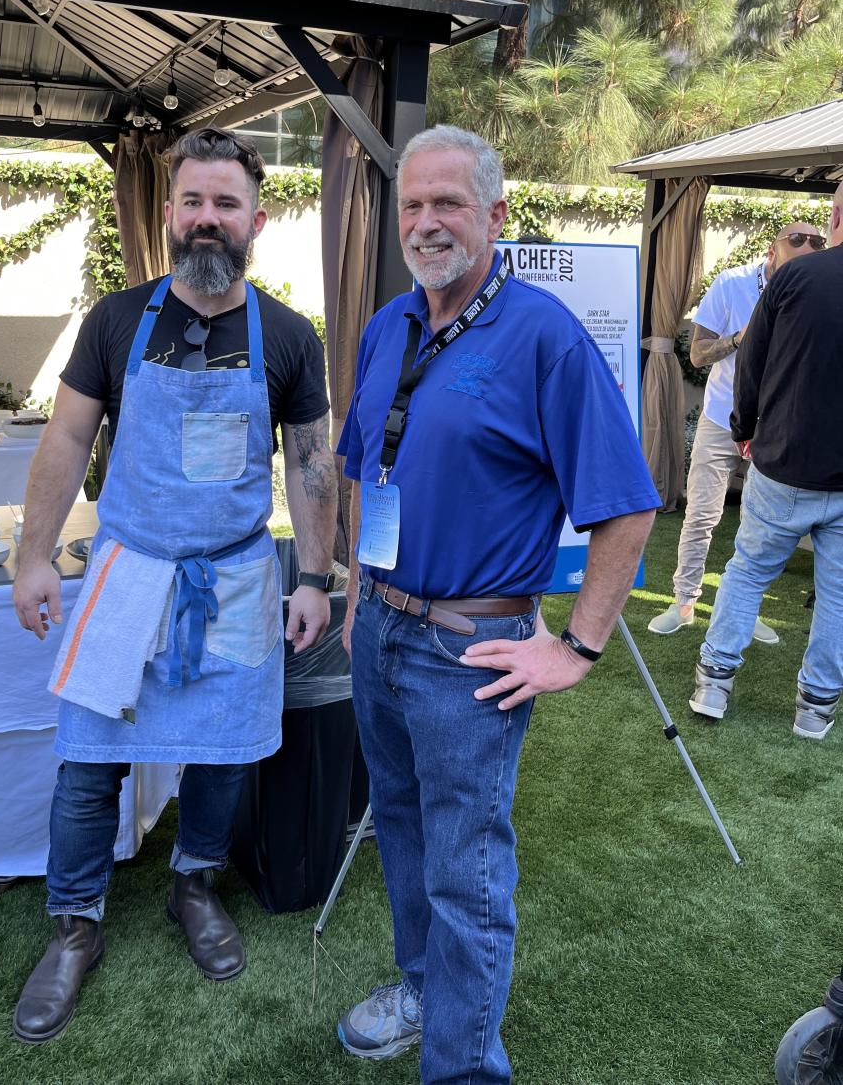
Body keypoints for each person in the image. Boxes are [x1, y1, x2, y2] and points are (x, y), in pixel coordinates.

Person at [334, 125, 660, 1084]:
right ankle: (425, 989)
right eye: (413, 206)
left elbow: (629, 507)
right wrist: (362, 594)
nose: (427, 223)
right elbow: (364, 468)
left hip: (473, 648)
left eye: (449, 204)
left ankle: (465, 1067)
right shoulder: (389, 324)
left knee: (466, 872)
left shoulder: (543, 334)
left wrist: (579, 649)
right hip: (382, 630)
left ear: (496, 216)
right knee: (398, 823)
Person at [10, 127, 338, 1044]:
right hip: (127, 574)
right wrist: (35, 555)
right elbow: (67, 441)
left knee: (224, 752)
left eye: (225, 203)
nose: (207, 219)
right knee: (90, 762)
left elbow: (312, 460)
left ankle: (192, 884)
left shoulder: (287, 335)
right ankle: (75, 924)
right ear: (168, 213)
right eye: (192, 201)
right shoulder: (115, 321)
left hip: (235, 577)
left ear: (256, 220)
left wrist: (314, 574)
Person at [690, 190, 843, 739]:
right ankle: (815, 708)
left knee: (749, 569)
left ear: (835, 216)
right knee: (840, 593)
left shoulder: (791, 279)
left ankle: (714, 681)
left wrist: (745, 430)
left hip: (782, 461)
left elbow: (751, 364)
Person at [648, 222, 825, 640]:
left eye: (817, 240)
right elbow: (696, 353)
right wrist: (742, 338)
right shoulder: (733, 284)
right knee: (701, 514)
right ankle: (684, 602)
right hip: (722, 417)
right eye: (796, 238)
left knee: (760, 527)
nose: (809, 245)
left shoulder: (816, 288)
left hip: (776, 425)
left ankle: (746, 609)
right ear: (771, 249)